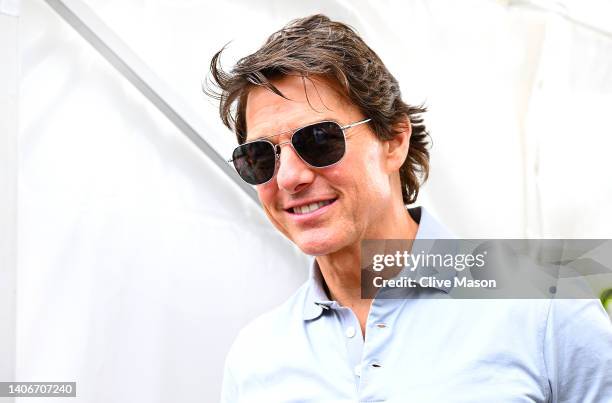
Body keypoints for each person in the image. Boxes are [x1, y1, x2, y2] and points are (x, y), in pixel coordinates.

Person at [206, 14, 612, 402]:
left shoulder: (545, 302)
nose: (290, 177)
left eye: (319, 139)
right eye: (259, 156)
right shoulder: (254, 358)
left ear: (394, 140)